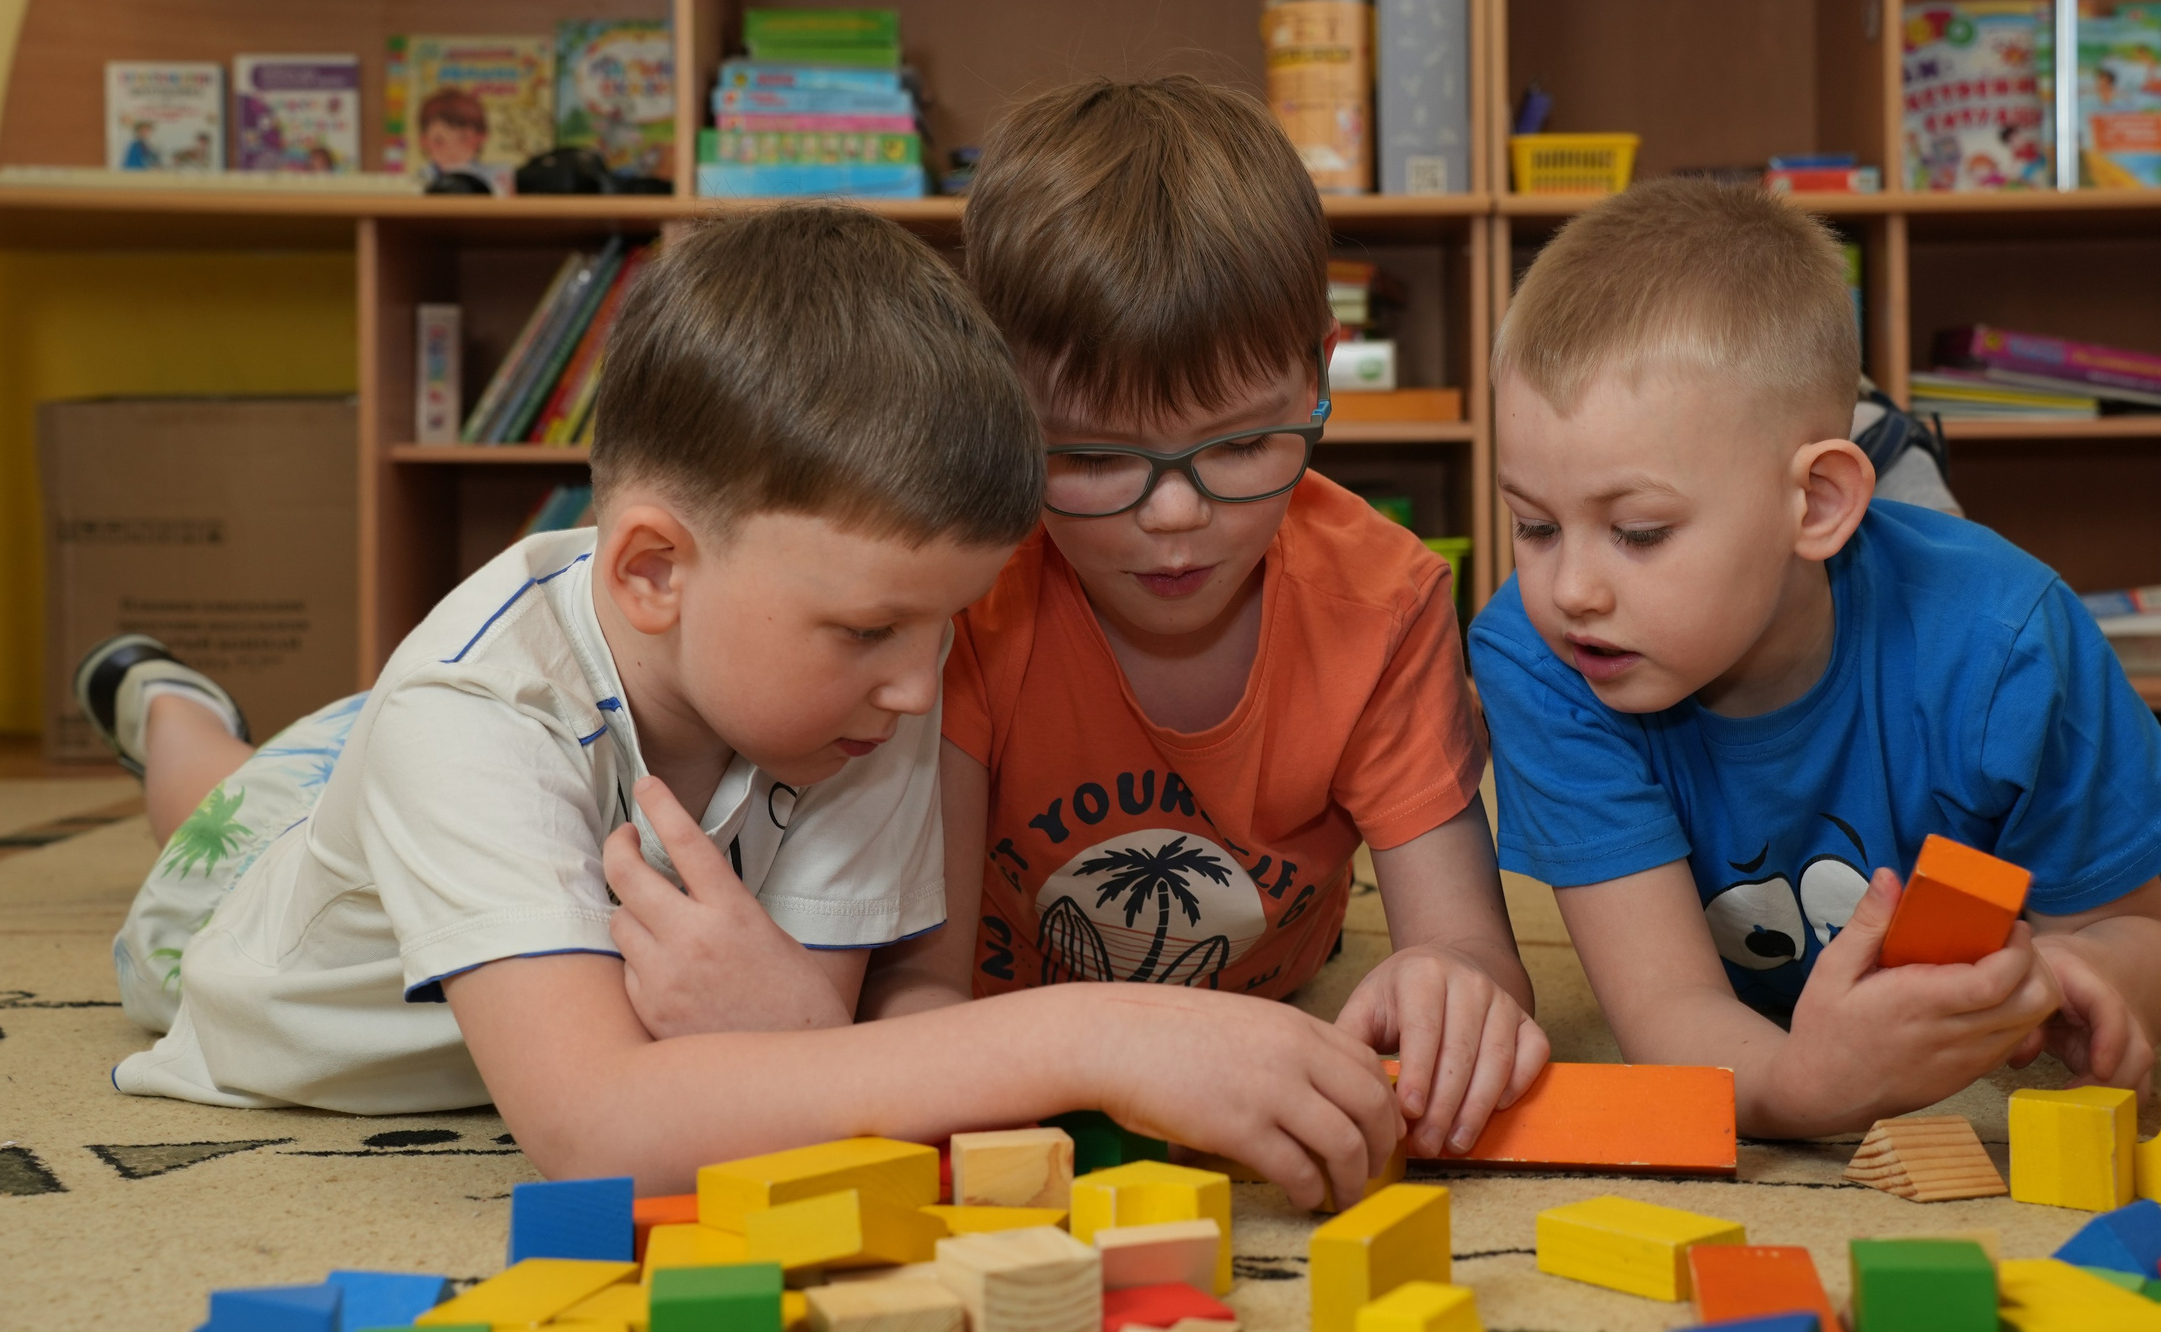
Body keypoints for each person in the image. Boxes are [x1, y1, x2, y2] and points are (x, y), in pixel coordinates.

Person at [87, 203, 1400, 1203]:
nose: (921, 678)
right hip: (273, 887)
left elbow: (799, 1043)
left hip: (554, 758)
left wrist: (801, 1017)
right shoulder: (464, 720)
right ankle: (160, 698)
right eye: (872, 625)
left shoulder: (868, 688)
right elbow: (593, 1121)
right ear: (656, 567)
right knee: (225, 794)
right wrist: (1099, 1032)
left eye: (941, 623)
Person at [1468, 176, 2161, 1138]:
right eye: (1532, 524)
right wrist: (1804, 1084)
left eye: (1639, 532)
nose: (1571, 588)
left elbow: (2147, 938)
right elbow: (1667, 1008)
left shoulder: (2010, 643)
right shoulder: (1540, 657)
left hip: (2046, 881)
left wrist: (2082, 980)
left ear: (1816, 502)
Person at [942, 78, 1549, 1161]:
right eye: (1088, 456)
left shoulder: (1384, 600)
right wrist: (1108, 1052)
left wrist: (1454, 988)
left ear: (1319, 373)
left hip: (1280, 1004)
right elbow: (913, 997)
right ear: (994, 406)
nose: (1173, 517)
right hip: (1013, 1042)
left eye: (1235, 446)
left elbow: (1469, 947)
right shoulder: (962, 596)